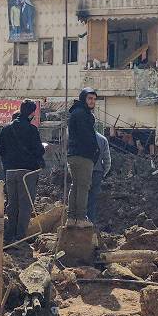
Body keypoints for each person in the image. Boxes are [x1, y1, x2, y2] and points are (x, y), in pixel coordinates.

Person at [0, 99, 45, 243]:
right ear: (31, 113)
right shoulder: (31, 130)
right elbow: (39, 150)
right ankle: (20, 236)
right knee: (25, 204)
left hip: (10, 171)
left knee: (12, 203)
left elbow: (0, 150)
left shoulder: (6, 128)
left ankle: (10, 234)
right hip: (27, 172)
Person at [66, 87, 100, 224]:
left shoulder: (77, 112)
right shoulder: (83, 114)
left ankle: (71, 217)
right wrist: (95, 151)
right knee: (83, 186)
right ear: (83, 99)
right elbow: (87, 137)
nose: (92, 102)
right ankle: (80, 218)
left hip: (74, 154)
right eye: (90, 98)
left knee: (76, 185)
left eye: (94, 99)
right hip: (83, 155)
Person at [87, 131, 111, 224]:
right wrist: (103, 173)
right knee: (92, 200)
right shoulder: (102, 139)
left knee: (82, 196)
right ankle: (90, 222)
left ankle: (80, 220)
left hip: (83, 171)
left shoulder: (81, 137)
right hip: (97, 172)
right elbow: (107, 160)